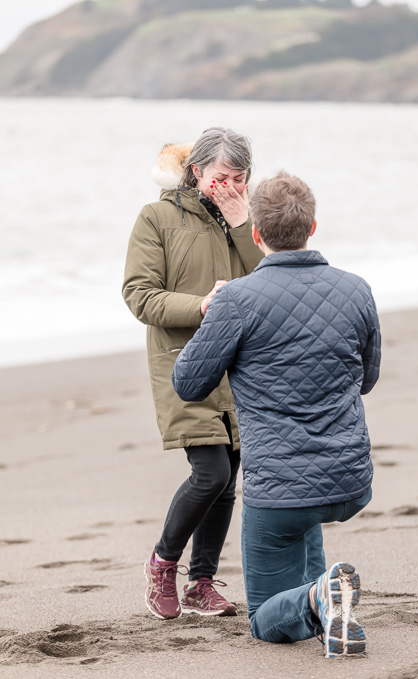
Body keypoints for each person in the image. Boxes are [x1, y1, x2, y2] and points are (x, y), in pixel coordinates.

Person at [172, 171, 381, 656]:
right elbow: (366, 379)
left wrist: (214, 313)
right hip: (350, 482)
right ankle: (328, 596)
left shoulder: (236, 300)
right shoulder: (357, 289)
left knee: (265, 620)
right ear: (312, 227)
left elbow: (188, 383)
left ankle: (316, 595)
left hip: (281, 492)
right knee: (304, 524)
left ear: (258, 235)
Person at [122, 127, 263, 620]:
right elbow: (140, 295)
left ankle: (201, 583)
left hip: (239, 368)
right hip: (183, 363)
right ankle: (163, 565)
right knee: (211, 473)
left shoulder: (243, 218)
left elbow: (272, 280)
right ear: (197, 171)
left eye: (241, 179)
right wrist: (202, 305)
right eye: (223, 177)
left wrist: (243, 223)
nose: (232, 187)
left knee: (229, 481)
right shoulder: (156, 217)